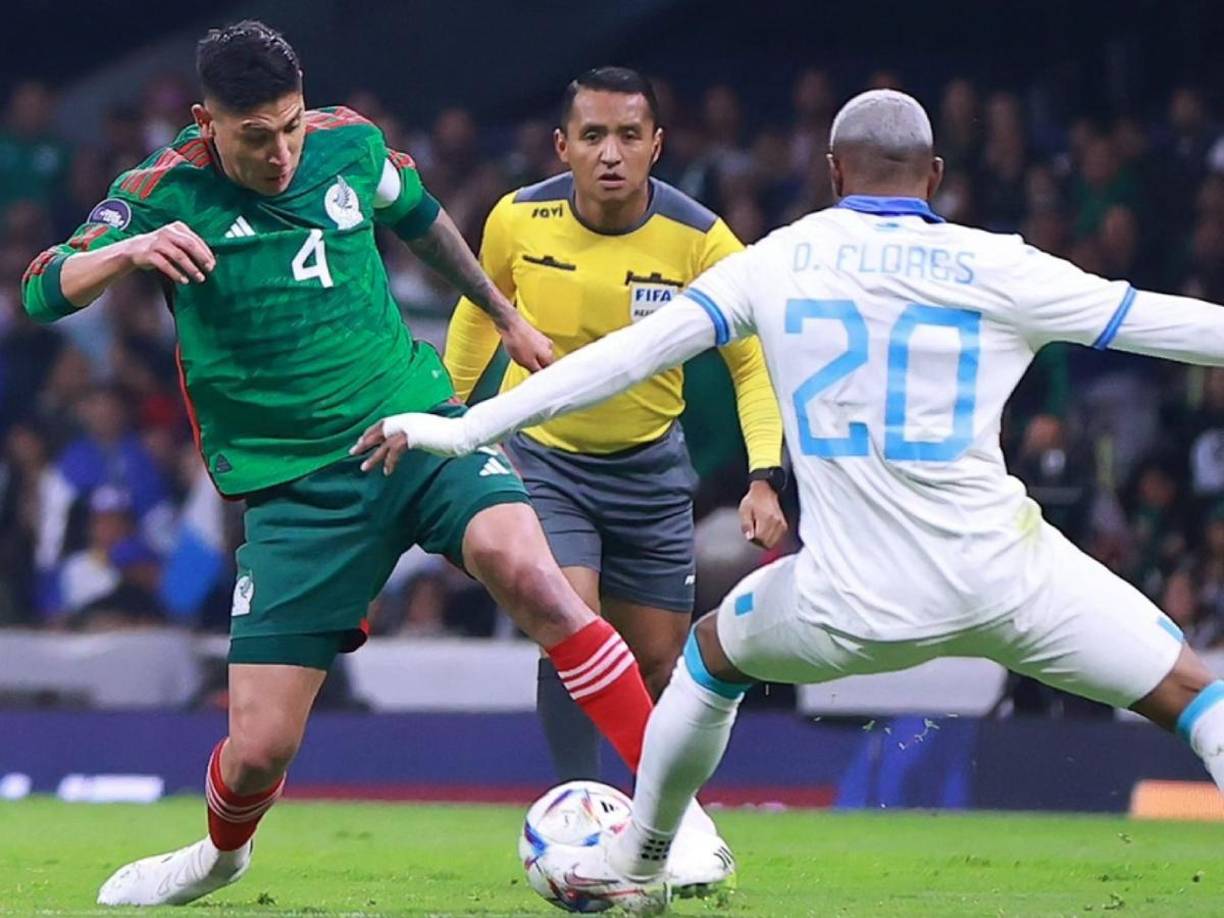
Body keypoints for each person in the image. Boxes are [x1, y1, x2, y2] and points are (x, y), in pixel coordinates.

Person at [357, 89, 1224, 911]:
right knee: (1197, 695)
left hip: (848, 599)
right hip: (1015, 579)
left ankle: (642, 859)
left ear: (834, 173)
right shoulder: (1001, 263)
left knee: (708, 659)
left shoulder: (777, 260)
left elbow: (622, 359)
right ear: (935, 176)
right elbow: (1169, 322)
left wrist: (470, 428)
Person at [21, 20, 721, 908]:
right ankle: (219, 857)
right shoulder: (160, 192)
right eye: (254, 137)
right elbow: (41, 288)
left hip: (414, 425)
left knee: (533, 575)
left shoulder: (346, 142)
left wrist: (501, 313)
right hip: (295, 487)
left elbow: (422, 222)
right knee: (260, 748)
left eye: (289, 125)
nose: (280, 154)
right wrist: (124, 252)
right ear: (207, 122)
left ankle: (679, 824)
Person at [443, 66, 785, 782]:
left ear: (656, 145)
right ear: (561, 145)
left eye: (628, 135)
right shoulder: (515, 218)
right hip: (545, 460)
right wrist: (450, 418)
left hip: (651, 469)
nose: (610, 153)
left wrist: (764, 478)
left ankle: (653, 827)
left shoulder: (703, 242)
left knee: (658, 661)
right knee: (571, 624)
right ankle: (579, 806)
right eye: (592, 135)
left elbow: (754, 367)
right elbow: (482, 309)